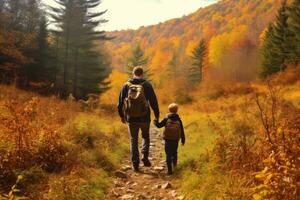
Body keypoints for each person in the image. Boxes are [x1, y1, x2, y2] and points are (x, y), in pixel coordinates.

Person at [118, 66, 160, 172]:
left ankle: (135, 164)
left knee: (134, 140)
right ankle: (144, 156)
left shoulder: (126, 85)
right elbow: (154, 102)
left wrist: (122, 116)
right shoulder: (147, 85)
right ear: (142, 74)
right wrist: (156, 115)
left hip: (131, 118)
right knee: (145, 136)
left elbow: (120, 103)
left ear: (133, 73)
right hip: (145, 117)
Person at [154, 103, 185, 175]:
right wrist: (183, 140)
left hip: (168, 139)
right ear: (177, 110)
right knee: (174, 153)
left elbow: (159, 126)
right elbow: (182, 131)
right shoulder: (179, 120)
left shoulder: (166, 118)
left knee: (168, 154)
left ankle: (169, 171)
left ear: (169, 110)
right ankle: (175, 166)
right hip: (175, 139)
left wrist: (155, 121)